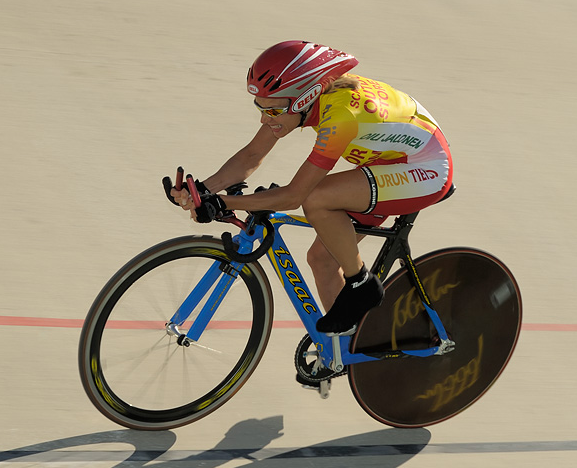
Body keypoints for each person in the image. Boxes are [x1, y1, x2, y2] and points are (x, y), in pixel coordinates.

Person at [170, 40, 453, 337]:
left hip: (425, 169)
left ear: (305, 99)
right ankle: (346, 350)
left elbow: (295, 196)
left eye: (274, 111)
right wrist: (200, 191)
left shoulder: (341, 117)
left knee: (317, 198)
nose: (265, 119)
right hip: (388, 164)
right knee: (322, 259)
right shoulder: (299, 102)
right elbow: (251, 156)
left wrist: (225, 203)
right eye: (260, 108)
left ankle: (362, 284)